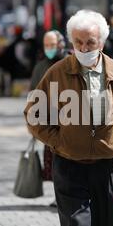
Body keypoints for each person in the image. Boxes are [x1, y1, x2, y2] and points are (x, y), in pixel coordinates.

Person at [24, 10, 113, 226]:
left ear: (101, 41)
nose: (84, 47)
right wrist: (59, 141)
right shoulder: (57, 72)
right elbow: (33, 114)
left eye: (90, 42)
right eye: (78, 41)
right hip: (69, 165)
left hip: (110, 166)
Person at [29, 30, 67, 208]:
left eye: (52, 45)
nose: (49, 48)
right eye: (46, 45)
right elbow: (33, 94)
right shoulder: (40, 66)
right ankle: (58, 196)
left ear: (61, 44)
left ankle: (70, 194)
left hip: (70, 121)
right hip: (49, 122)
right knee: (53, 162)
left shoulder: (70, 62)